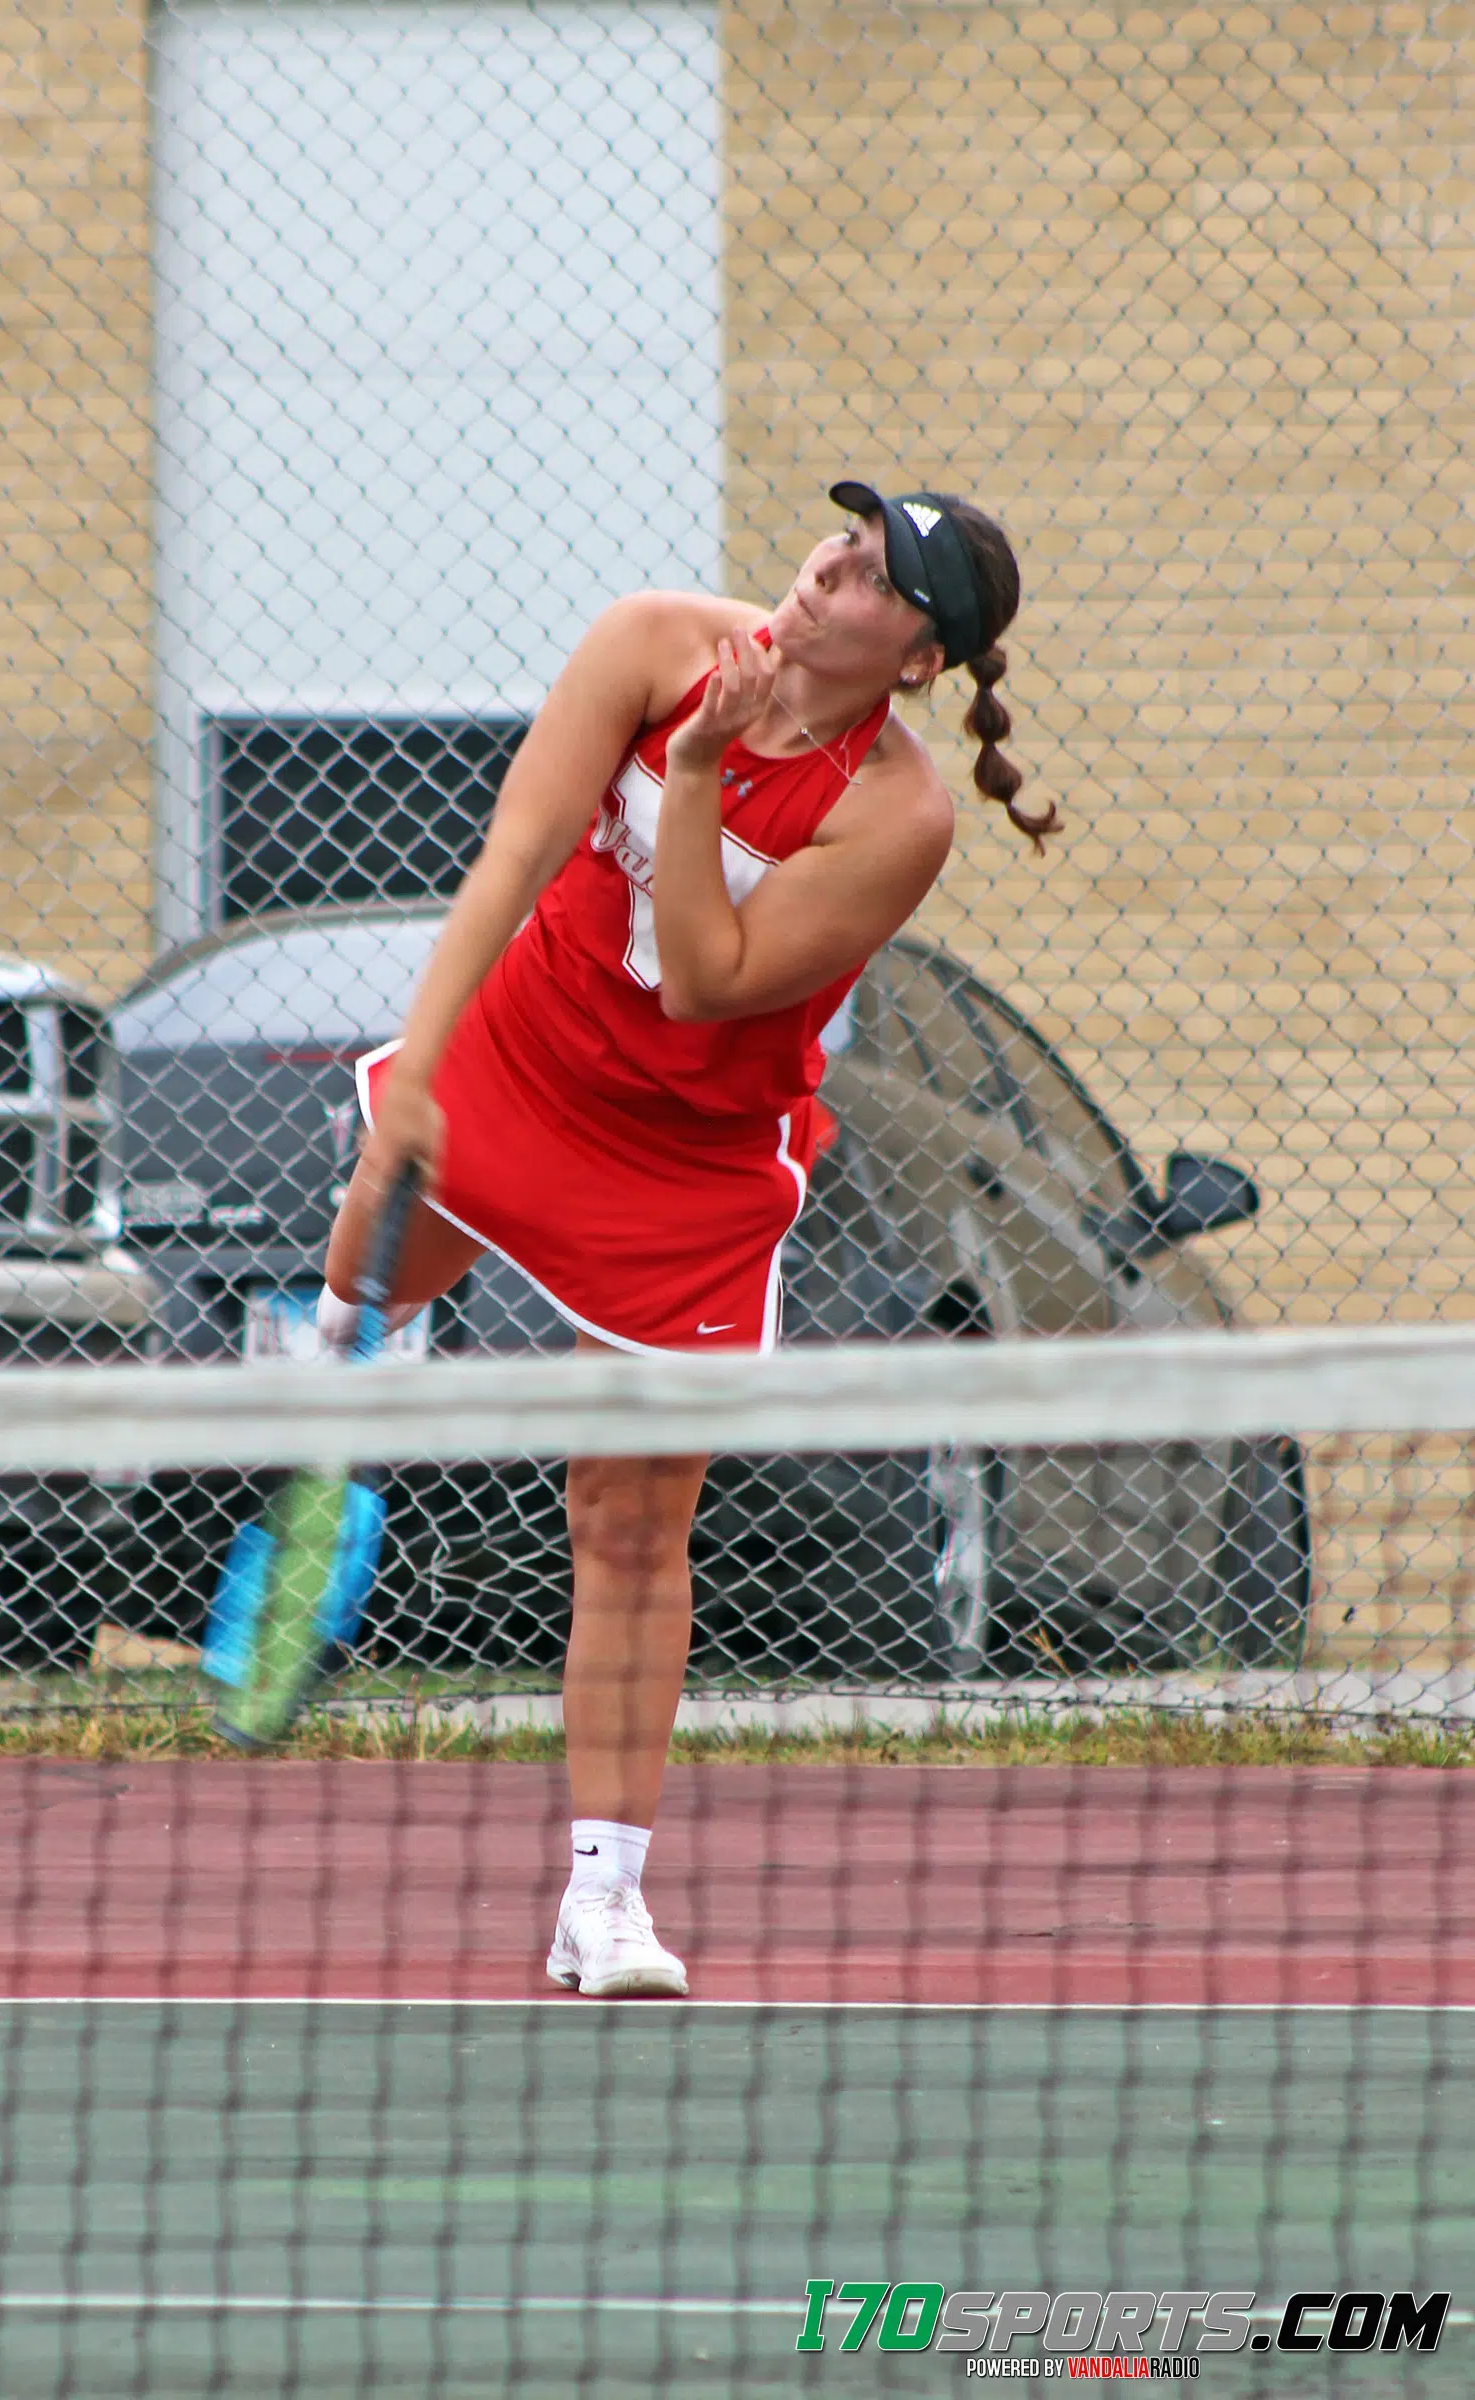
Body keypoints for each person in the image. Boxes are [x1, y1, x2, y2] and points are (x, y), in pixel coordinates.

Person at [322, 480, 1051, 1997]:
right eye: (843, 537)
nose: (832, 562)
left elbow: (707, 987)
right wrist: (416, 1080)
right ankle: (322, 1389)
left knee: (630, 1519)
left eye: (877, 577)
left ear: (916, 658)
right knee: (356, 1284)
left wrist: (708, 761)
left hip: (689, 1164)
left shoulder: (893, 813)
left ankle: (604, 1900)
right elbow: (513, 861)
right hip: (522, 1058)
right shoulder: (647, 641)